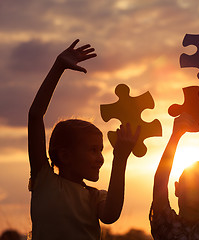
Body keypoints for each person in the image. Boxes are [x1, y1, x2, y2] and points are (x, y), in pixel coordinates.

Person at [28, 39, 140, 240]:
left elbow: (111, 215)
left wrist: (120, 158)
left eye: (100, 150)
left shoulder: (95, 197)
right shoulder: (43, 180)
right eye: (92, 150)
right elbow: (36, 115)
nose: (100, 158)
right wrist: (58, 67)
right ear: (65, 155)